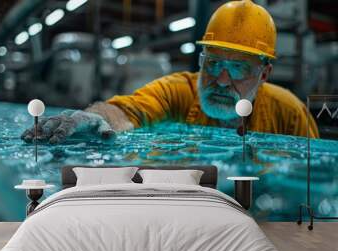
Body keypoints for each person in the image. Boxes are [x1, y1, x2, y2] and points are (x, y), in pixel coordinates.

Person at [22, 0, 319, 144]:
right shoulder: (179, 91)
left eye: (239, 68)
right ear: (201, 60)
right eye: (214, 63)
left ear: (264, 75)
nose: (222, 80)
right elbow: (129, 110)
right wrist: (97, 117)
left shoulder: (290, 114)